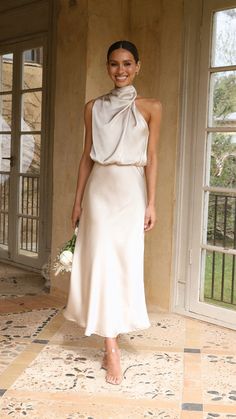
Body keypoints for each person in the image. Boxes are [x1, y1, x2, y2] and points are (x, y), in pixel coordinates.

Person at [63, 40, 162, 385]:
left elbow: (151, 157)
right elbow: (87, 155)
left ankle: (113, 338)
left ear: (138, 66)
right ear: (107, 67)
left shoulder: (151, 107)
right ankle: (111, 349)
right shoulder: (92, 107)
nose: (120, 70)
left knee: (126, 264)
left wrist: (151, 202)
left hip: (132, 193)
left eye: (127, 64)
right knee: (103, 263)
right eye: (114, 64)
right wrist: (77, 201)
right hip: (100, 194)